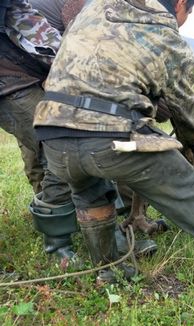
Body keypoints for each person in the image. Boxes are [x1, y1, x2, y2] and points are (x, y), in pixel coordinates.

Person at [34, 0, 194, 282]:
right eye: (190, 12)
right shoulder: (166, 34)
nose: (187, 18)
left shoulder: (95, 8)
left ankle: (107, 270)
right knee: (188, 190)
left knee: (89, 191)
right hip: (111, 138)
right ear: (181, 3)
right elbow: (186, 112)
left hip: (52, 134)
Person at [0, 0, 156, 267]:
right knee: (58, 147)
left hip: (24, 70)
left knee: (82, 139)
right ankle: (58, 246)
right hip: (8, 82)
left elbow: (24, 19)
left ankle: (107, 239)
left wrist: (71, 65)